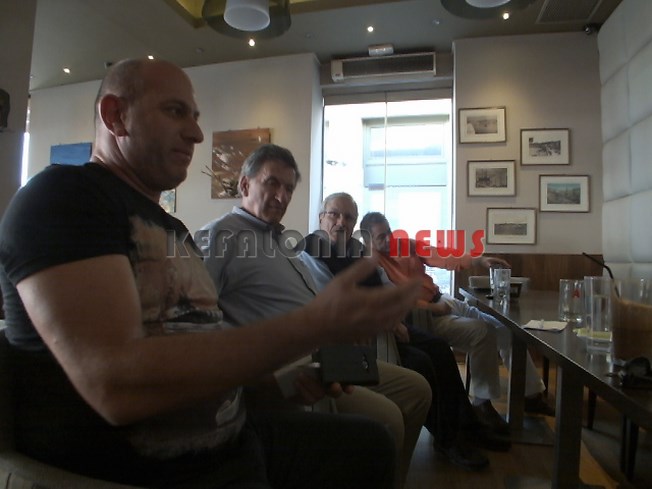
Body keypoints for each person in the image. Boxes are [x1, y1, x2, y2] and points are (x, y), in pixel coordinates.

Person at [0, 58, 424, 489]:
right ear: (115, 115)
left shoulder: (175, 231)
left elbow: (200, 351)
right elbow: (116, 386)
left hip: (234, 435)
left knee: (372, 446)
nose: (196, 134)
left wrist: (280, 387)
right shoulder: (64, 198)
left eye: (196, 116)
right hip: (160, 469)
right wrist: (313, 326)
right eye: (175, 111)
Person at [199, 144, 431, 488]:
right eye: (272, 183)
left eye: (289, 188)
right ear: (245, 185)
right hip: (287, 369)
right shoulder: (220, 235)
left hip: (328, 355)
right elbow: (199, 326)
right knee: (388, 422)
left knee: (418, 389)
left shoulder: (281, 241)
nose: (282, 196)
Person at [300, 192, 512, 472]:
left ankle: (467, 425)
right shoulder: (311, 251)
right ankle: (448, 439)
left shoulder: (359, 251)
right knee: (422, 362)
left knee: (438, 348)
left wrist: (394, 313)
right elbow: (333, 300)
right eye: (334, 215)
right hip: (361, 336)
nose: (341, 221)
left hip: (391, 325)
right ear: (321, 218)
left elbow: (388, 285)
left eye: (348, 217)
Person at [358, 211, 555, 432]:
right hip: (422, 316)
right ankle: (482, 405)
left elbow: (442, 254)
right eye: (381, 237)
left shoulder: (404, 244)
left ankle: (530, 395)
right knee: (483, 332)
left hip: (442, 300)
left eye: (389, 232)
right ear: (368, 240)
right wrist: (431, 308)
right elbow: (393, 300)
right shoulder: (371, 265)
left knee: (504, 330)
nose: (389, 239)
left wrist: (479, 259)